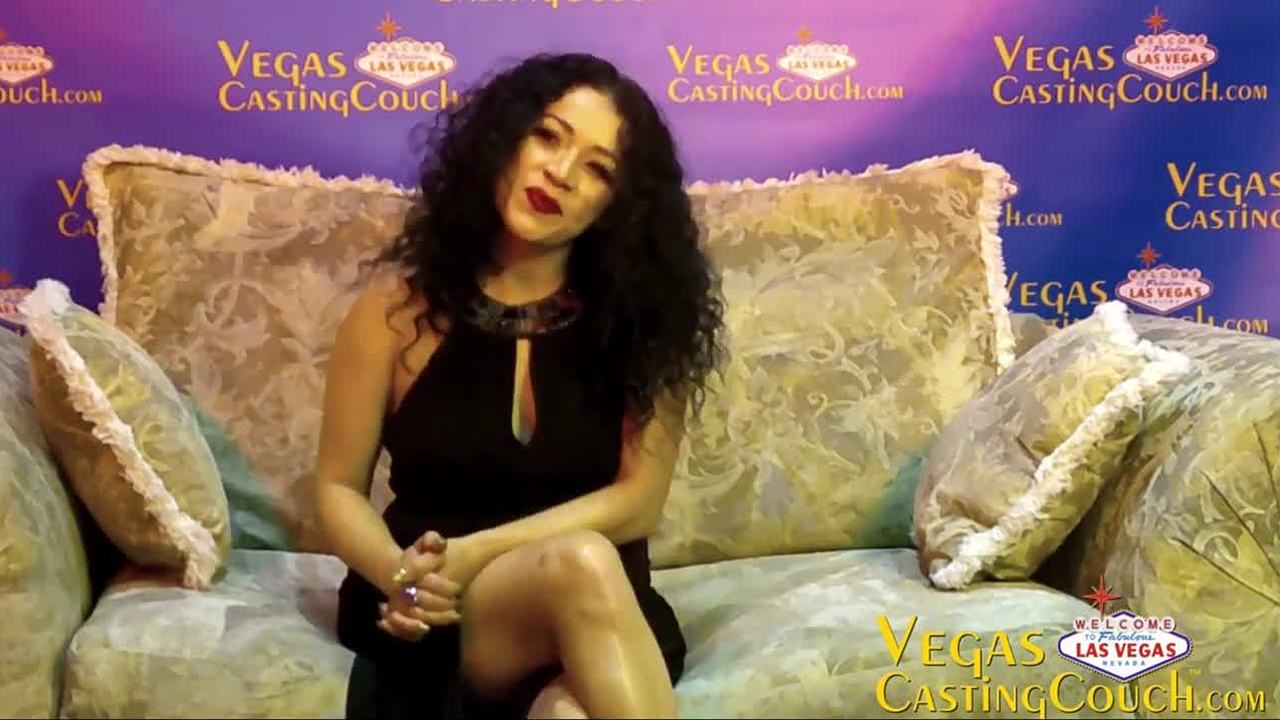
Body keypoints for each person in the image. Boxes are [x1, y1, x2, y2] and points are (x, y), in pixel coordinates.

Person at [312, 52, 725, 719]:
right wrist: (401, 574)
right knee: (580, 564)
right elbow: (337, 487)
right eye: (548, 136)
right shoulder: (396, 314)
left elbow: (638, 503)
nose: (560, 173)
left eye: (598, 169)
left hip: (597, 603)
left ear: (618, 205)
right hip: (439, 613)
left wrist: (473, 553)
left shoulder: (649, 323)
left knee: (571, 702)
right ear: (504, 138)